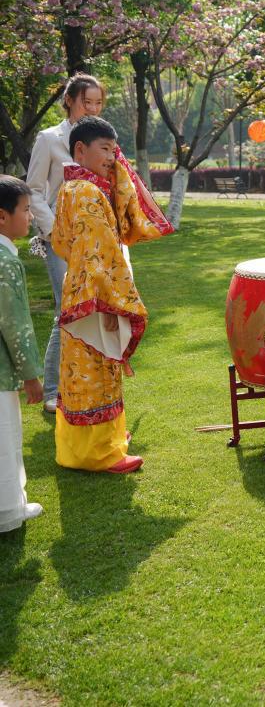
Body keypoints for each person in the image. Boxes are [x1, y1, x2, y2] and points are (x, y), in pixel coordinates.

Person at [51, 116, 172, 473]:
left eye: (113, 150)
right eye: (104, 149)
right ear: (80, 150)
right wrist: (109, 303)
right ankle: (101, 454)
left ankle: (86, 447)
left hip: (79, 291)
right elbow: (100, 256)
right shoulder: (88, 193)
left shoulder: (70, 188)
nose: (111, 158)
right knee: (98, 375)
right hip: (95, 298)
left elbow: (62, 242)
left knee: (79, 375)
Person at [26, 73, 106, 414]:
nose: (93, 108)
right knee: (67, 310)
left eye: (98, 102)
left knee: (96, 310)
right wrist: (54, 231)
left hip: (97, 240)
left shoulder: (103, 138)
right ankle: (53, 391)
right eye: (87, 102)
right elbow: (33, 190)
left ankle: (88, 385)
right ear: (70, 101)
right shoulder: (49, 139)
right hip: (59, 240)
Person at [0, 176, 45, 531]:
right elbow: (15, 323)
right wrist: (31, 375)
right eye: (26, 210)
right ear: (3, 216)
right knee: (5, 435)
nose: (30, 217)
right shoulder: (6, 262)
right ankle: (8, 511)